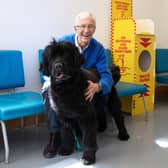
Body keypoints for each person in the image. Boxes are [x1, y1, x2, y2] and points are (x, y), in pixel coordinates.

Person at [41, 11, 128, 159]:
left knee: (99, 96)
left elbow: (105, 74)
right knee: (53, 101)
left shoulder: (98, 48)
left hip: (84, 83)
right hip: (57, 84)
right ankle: (55, 138)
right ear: (75, 28)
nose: (86, 30)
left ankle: (97, 139)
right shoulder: (63, 43)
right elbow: (45, 69)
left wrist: (98, 86)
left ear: (94, 29)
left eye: (90, 26)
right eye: (82, 26)